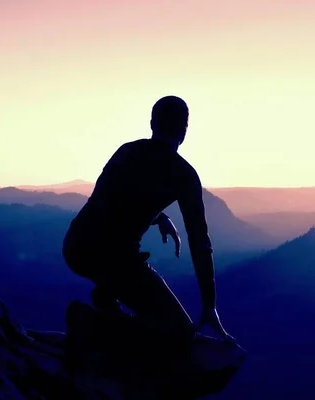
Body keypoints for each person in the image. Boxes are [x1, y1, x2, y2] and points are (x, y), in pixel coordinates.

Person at [62, 95, 232, 342]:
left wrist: (159, 217)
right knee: (181, 331)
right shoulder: (183, 174)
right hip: (116, 259)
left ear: (152, 124)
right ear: (184, 132)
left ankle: (105, 302)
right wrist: (209, 305)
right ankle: (92, 321)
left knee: (115, 271)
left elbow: (110, 202)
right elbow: (199, 242)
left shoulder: (127, 151)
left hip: (76, 246)